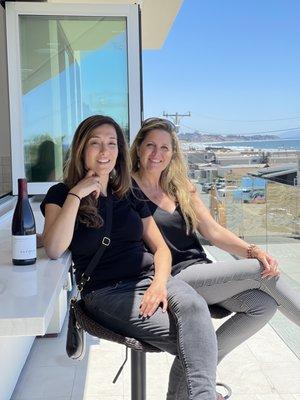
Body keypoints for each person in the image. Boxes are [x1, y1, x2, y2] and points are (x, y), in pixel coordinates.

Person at [40, 115, 227, 400]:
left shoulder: (126, 193)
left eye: (112, 144)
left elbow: (161, 249)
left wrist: (159, 284)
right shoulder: (61, 193)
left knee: (195, 308)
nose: (105, 151)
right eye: (96, 143)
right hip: (106, 292)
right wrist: (77, 194)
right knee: (195, 341)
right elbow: (54, 247)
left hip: (151, 279)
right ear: (81, 148)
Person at [130, 117, 300, 399]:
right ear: (138, 148)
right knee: (261, 271)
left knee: (264, 304)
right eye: (150, 146)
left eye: (165, 148)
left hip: (201, 269)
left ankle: (191, 380)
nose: (157, 154)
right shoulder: (127, 189)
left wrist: (252, 249)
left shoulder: (179, 186)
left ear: (173, 153)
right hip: (172, 277)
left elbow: (213, 231)